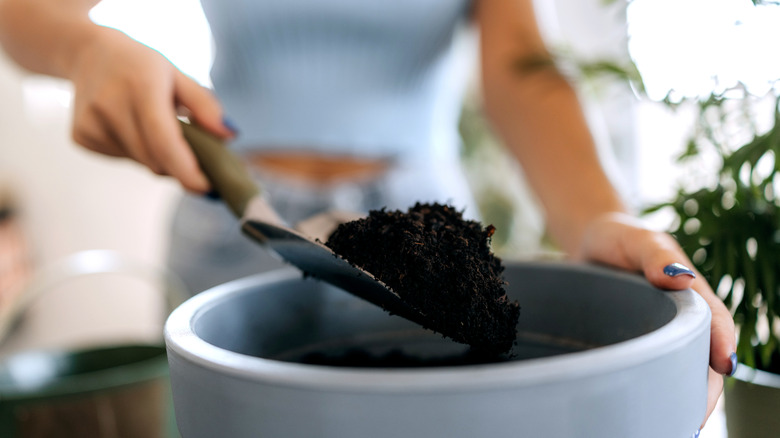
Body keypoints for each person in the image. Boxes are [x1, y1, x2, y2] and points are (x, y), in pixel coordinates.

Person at [0, 0, 735, 428]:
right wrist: (86, 47)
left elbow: (520, 69)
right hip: (230, 223)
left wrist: (598, 215)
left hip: (418, 241)